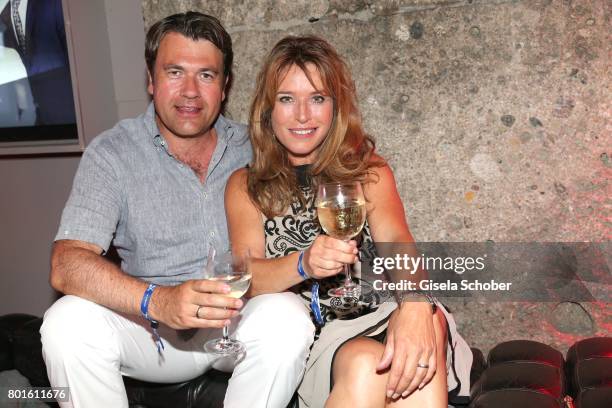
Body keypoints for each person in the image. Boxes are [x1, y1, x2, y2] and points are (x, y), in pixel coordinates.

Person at [41, 12, 314, 408]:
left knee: (285, 315)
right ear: (151, 81)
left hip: (240, 321)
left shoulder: (256, 145)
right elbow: (66, 264)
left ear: (225, 87)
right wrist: (159, 300)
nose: (190, 91)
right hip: (154, 333)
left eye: (206, 75)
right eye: (174, 72)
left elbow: (331, 157)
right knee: (66, 323)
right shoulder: (113, 153)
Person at [225, 36, 472, 407]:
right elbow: (249, 279)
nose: (303, 115)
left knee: (425, 324)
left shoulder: (369, 171)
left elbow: (399, 246)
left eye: (318, 98)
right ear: (268, 109)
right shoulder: (245, 186)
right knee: (365, 366)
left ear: (336, 108)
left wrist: (417, 305)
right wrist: (303, 263)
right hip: (326, 334)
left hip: (389, 307)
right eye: (287, 99)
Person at [0, 0, 76, 125]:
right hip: (33, 120)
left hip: (68, 116)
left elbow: (76, 57)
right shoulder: (5, 13)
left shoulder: (53, 4)